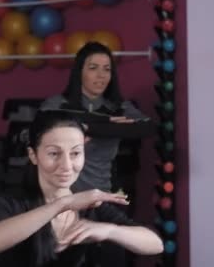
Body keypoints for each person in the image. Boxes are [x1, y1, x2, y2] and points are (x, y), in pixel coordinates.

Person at [0, 111, 163, 267]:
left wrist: (109, 231)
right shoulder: (10, 201)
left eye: (75, 153)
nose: (66, 165)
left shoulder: (91, 206)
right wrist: (63, 203)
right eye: (54, 153)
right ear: (33, 155)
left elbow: (155, 244)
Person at [38, 41, 155, 193]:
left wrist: (91, 127)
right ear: (80, 71)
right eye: (93, 68)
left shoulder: (118, 107)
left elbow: (148, 127)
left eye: (107, 69)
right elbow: (39, 127)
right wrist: (104, 122)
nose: (101, 75)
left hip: (101, 194)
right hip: (60, 196)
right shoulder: (57, 104)